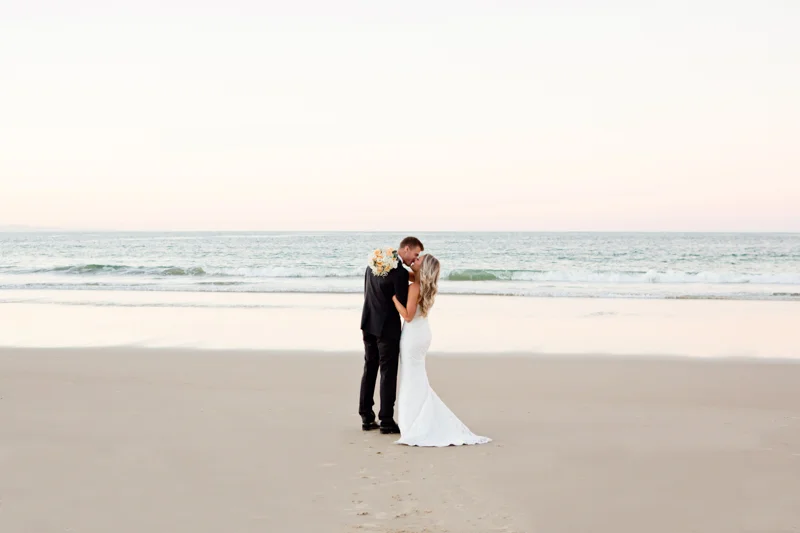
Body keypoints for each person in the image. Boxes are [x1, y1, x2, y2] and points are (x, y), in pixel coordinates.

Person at [391, 254, 491, 447]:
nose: (415, 260)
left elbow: (408, 316)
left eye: (419, 260)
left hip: (412, 336)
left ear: (423, 268)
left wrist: (394, 299)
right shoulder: (426, 286)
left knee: (410, 377)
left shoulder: (415, 287)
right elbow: (408, 275)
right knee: (417, 376)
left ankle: (412, 421)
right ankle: (417, 416)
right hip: (423, 334)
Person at [359, 236, 423, 434]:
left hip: (368, 322)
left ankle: (366, 417)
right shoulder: (400, 273)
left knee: (370, 368)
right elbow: (403, 303)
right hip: (387, 329)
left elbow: (367, 291)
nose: (415, 259)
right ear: (406, 248)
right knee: (388, 373)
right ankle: (386, 420)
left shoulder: (374, 261)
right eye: (415, 254)